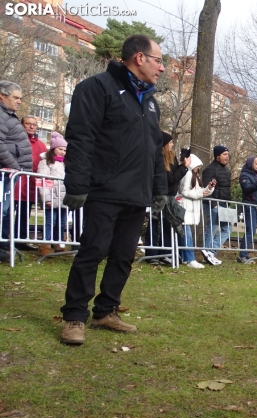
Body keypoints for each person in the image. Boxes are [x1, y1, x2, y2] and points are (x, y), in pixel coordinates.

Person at [58, 34, 168, 345]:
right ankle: (74, 316)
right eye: (158, 60)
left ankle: (106, 311)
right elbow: (80, 139)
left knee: (123, 256)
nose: (162, 68)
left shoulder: (150, 102)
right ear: (139, 58)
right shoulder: (95, 88)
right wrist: (77, 184)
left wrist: (159, 189)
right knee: (92, 252)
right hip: (104, 189)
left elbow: (155, 150)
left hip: (137, 194)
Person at [0, 81, 33, 262]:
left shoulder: (8, 116)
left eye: (20, 98)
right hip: (4, 172)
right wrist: (14, 166)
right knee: (1, 210)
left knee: (5, 211)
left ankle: (4, 243)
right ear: (2, 96)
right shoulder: (2, 115)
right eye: (15, 98)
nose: (19, 101)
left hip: (9, 174)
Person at [6, 115, 45, 252]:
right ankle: (5, 241)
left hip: (29, 187)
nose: (31, 126)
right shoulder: (14, 140)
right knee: (7, 213)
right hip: (12, 183)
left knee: (24, 214)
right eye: (28, 123)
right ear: (22, 125)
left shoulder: (40, 145)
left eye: (34, 124)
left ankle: (21, 240)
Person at [145, 132, 179, 265]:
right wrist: (184, 168)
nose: (172, 144)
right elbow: (170, 178)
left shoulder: (173, 158)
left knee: (166, 224)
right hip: (158, 194)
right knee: (154, 223)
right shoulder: (158, 157)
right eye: (170, 142)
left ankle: (165, 253)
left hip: (169, 195)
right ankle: (152, 253)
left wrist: (182, 167)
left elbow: (174, 178)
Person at [177, 154, 215, 269]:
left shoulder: (194, 175)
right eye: (197, 166)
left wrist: (209, 188)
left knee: (185, 234)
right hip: (185, 209)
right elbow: (184, 191)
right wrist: (200, 193)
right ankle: (189, 259)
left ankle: (185, 258)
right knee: (186, 235)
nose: (198, 168)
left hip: (189, 209)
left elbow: (199, 192)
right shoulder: (188, 174)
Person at [37, 132, 68, 256]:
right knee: (51, 221)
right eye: (60, 149)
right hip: (52, 197)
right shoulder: (45, 162)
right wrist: (46, 198)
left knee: (62, 222)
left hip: (63, 198)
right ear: (54, 148)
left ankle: (59, 243)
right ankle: (45, 244)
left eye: (65, 150)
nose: (63, 152)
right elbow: (43, 181)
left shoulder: (65, 163)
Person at [200, 145, 231, 266]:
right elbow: (207, 189)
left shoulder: (227, 170)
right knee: (211, 228)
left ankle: (211, 252)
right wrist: (213, 204)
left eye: (228, 155)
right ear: (217, 156)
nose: (227, 157)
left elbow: (226, 188)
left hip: (224, 203)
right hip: (213, 204)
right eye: (224, 154)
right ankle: (206, 253)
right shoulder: (210, 170)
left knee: (227, 228)